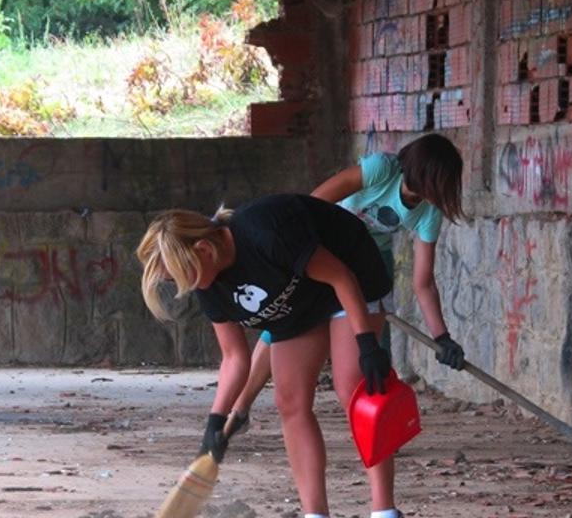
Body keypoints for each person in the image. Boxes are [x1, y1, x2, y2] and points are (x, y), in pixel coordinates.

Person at [137, 193, 400, 518]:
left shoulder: (265, 233)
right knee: (289, 402)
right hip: (299, 303)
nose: (185, 286)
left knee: (353, 388)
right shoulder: (210, 287)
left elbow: (339, 277)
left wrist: (367, 345)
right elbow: (235, 357)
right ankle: (315, 514)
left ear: (204, 250)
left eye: (181, 276)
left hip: (352, 278)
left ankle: (384, 510)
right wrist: (215, 423)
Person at [228, 133, 468, 452]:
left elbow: (423, 282)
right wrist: (298, 253)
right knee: (280, 328)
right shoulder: (381, 168)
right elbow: (311, 204)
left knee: (362, 362)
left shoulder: (429, 213)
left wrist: (442, 337)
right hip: (322, 248)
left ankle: (377, 430)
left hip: (367, 263)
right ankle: (239, 410)